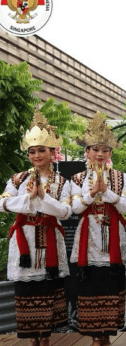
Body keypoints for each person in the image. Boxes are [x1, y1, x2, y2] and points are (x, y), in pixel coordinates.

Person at [1, 110, 71, 346]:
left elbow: (65, 212)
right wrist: (29, 199)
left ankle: (46, 340)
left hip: (50, 238)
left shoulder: (62, 182)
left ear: (53, 152)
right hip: (25, 242)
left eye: (42, 150)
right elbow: (2, 203)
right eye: (32, 151)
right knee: (27, 293)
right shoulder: (17, 179)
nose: (37, 155)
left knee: (48, 290)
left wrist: (44, 198)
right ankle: (32, 341)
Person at [70, 112, 126, 346]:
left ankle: (106, 336)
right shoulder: (77, 179)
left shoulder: (120, 177)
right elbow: (74, 208)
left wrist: (107, 192)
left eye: (105, 149)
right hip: (88, 240)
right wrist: (92, 193)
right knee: (91, 288)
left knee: (111, 286)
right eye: (95, 149)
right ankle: (97, 337)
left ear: (110, 153)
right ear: (87, 152)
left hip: (113, 236)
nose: (100, 153)